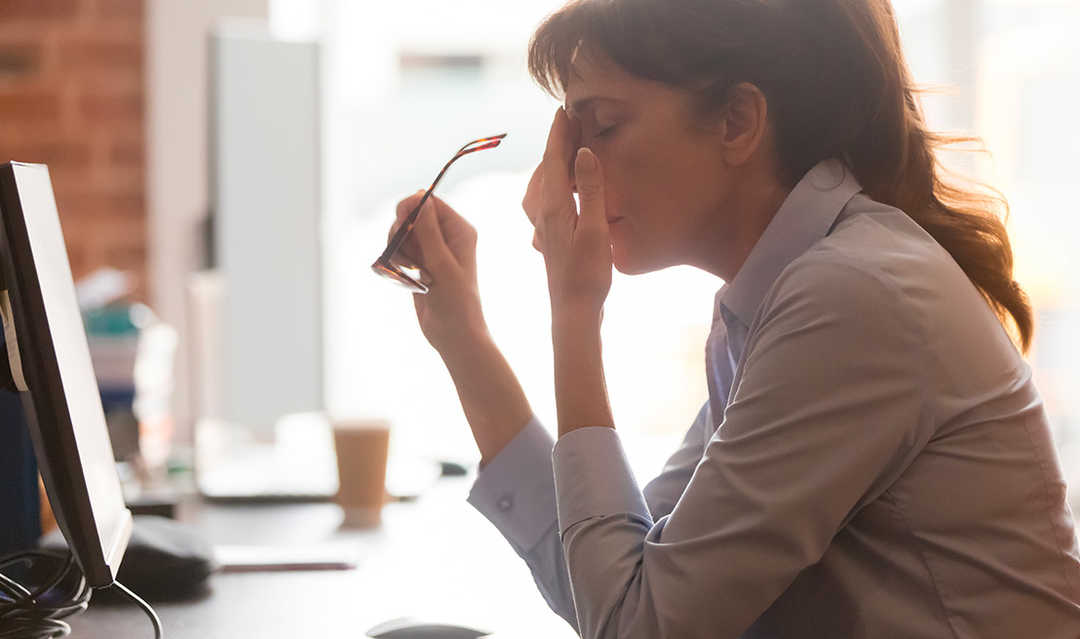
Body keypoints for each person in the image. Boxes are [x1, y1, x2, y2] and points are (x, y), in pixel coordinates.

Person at [385, 0, 1080, 637]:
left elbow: (636, 624)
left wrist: (574, 311)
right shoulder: (784, 292)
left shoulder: (850, 297)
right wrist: (464, 339)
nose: (564, 175)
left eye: (602, 126)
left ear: (737, 122)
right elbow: (608, 575)